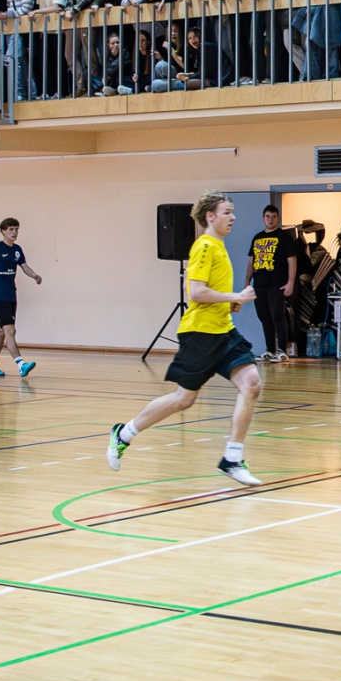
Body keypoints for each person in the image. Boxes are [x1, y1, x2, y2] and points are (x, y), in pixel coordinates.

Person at [106, 192, 264, 486]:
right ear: (210, 217)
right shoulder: (204, 246)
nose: (232, 217)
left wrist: (228, 303)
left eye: (232, 212)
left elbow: (196, 292)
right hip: (201, 333)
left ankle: (232, 458)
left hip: (224, 331)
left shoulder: (218, 246)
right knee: (183, 400)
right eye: (227, 212)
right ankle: (123, 434)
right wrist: (235, 296)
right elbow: (195, 292)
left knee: (251, 384)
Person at [0, 217, 41, 378]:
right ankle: (21, 364)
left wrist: (34, 276)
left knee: (1, 331)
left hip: (11, 295)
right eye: (11, 229)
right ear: (3, 231)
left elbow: (24, 266)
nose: (14, 232)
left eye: (16, 229)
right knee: (10, 330)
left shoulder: (17, 250)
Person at [246, 204, 298, 363]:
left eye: (274, 216)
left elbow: (292, 260)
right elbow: (251, 261)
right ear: (263, 218)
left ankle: (282, 350)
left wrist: (290, 283)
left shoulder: (284, 237)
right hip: (259, 283)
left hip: (277, 283)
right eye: (268, 216)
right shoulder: (257, 237)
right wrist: (247, 282)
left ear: (278, 218)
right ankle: (269, 350)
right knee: (264, 316)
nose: (270, 219)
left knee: (278, 315)